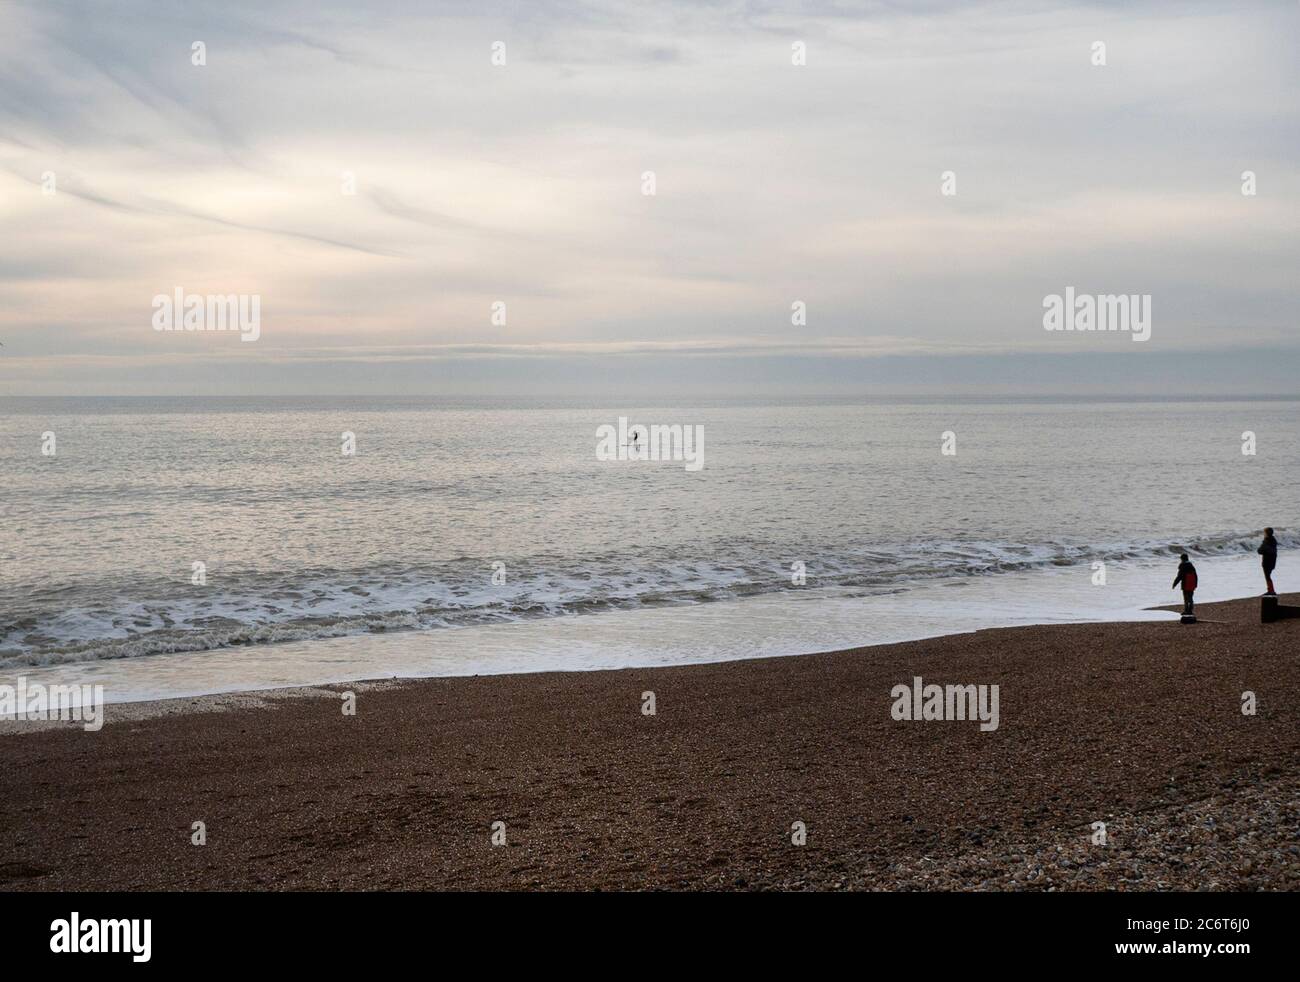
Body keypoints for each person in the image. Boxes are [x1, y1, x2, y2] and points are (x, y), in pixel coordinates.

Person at [1258, 527, 1278, 596]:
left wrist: (1263, 549)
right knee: (1268, 576)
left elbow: (1260, 551)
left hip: (1267, 561)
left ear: (1266, 533)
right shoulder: (1273, 540)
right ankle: (1270, 590)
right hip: (1273, 561)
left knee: (1267, 576)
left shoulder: (1266, 541)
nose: (1264, 534)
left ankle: (1271, 590)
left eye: (1264, 533)